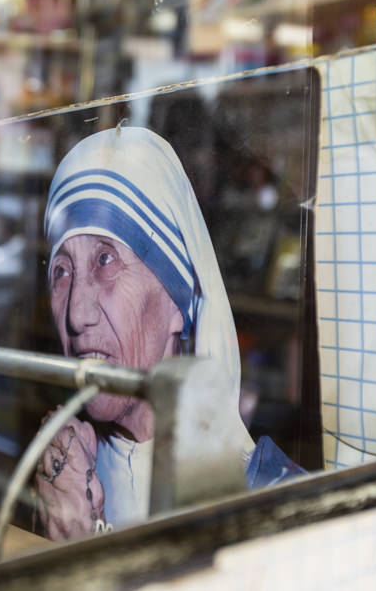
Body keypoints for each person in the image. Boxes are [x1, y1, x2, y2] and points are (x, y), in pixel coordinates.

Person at [34, 125, 302, 541]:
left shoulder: (273, 505)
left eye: (105, 260)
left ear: (177, 302)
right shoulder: (65, 475)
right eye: (62, 271)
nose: (77, 314)